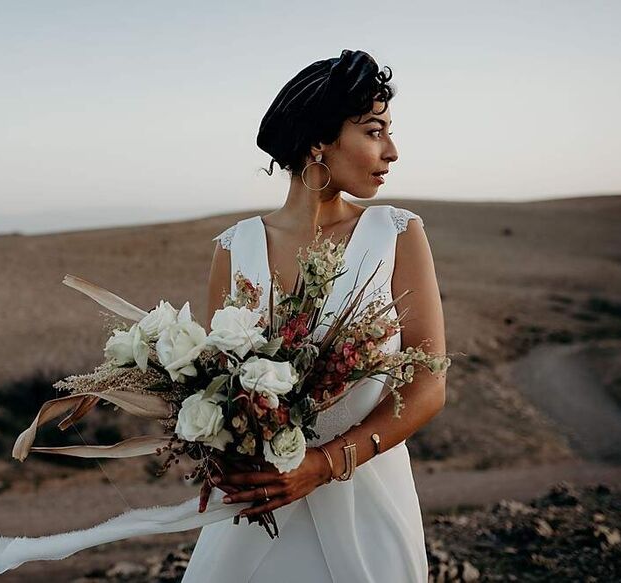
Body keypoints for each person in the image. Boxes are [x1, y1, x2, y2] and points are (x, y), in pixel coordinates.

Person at [181, 49, 447, 582]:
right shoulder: (235, 247)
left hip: (367, 498)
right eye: (374, 131)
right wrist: (219, 450)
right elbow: (212, 384)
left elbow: (428, 382)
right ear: (319, 141)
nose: (391, 151)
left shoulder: (397, 233)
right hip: (260, 507)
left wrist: (324, 465)